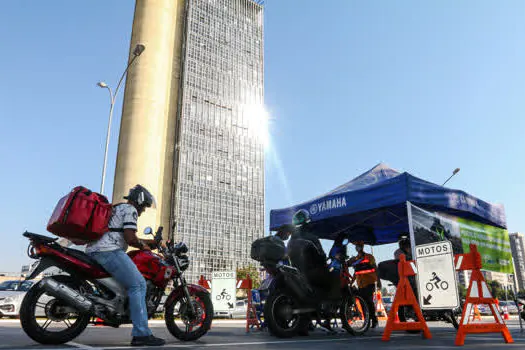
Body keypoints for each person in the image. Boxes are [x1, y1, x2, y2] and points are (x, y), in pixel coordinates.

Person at [86, 185, 165, 347]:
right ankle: (141, 334)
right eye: (144, 207)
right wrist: (143, 246)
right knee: (138, 284)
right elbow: (130, 238)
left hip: (95, 250)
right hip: (109, 251)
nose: (143, 211)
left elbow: (122, 234)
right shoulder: (131, 210)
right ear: (140, 201)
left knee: (131, 284)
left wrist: (151, 243)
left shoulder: (117, 208)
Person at [348, 241, 380, 328]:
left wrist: (379, 281)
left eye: (359, 246)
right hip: (361, 284)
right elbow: (356, 272)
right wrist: (351, 282)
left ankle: (374, 320)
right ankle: (367, 321)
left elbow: (375, 268)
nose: (358, 247)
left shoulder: (369, 257)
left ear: (362, 247)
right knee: (363, 302)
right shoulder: (355, 259)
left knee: (368, 301)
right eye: (357, 246)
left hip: (370, 282)